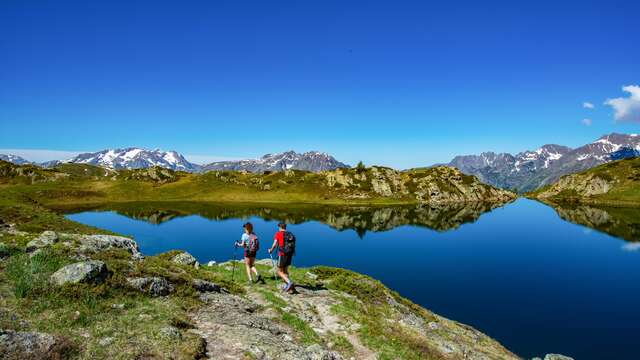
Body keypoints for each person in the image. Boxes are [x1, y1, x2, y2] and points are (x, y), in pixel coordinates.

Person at [268, 222, 295, 292]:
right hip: (290, 254)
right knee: (285, 270)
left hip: (282, 254)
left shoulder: (278, 233)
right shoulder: (290, 234)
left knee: (279, 271)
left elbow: (275, 244)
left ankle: (289, 282)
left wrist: (271, 250)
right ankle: (289, 286)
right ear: (285, 227)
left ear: (279, 227)